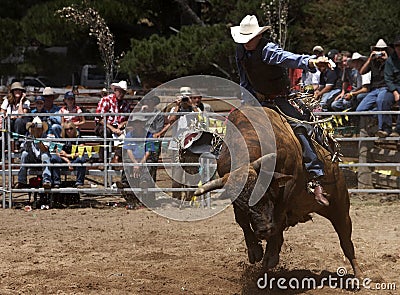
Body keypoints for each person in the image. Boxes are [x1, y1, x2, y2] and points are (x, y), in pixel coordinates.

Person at [231, 14, 329, 206]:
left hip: (280, 100)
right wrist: (246, 103)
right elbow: (244, 79)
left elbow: (287, 58)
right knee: (233, 130)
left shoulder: (268, 49)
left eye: (250, 38)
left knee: (301, 129)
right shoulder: (240, 51)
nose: (246, 42)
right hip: (255, 100)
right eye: (244, 39)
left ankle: (316, 178)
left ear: (259, 36)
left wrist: (310, 62)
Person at [167, 88, 201, 200]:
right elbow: (171, 121)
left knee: (191, 175)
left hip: (191, 147)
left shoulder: (195, 110)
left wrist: (192, 104)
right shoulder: (174, 109)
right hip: (176, 146)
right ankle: (176, 199)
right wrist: (177, 106)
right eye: (184, 98)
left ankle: (189, 199)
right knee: (177, 176)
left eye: (187, 97)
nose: (185, 100)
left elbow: (201, 119)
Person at [117, 115, 158, 207]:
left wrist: (139, 164)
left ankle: (144, 182)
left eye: (140, 123)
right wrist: (135, 163)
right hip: (134, 158)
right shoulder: (129, 135)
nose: (138, 125)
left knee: (150, 164)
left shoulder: (148, 135)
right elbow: (129, 150)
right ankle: (125, 183)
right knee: (126, 163)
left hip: (145, 159)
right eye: (136, 123)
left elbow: (148, 152)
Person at [356, 39, 393, 137]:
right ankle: (376, 116)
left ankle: (382, 129)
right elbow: (361, 72)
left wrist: (386, 59)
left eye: (382, 50)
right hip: (374, 89)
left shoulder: (390, 61)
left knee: (381, 100)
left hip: (385, 88)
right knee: (360, 110)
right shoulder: (372, 61)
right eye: (377, 50)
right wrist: (369, 59)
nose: (379, 52)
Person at [95, 80, 130, 162]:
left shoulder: (126, 104)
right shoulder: (106, 100)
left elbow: (129, 119)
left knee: (128, 133)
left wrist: (123, 123)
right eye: (120, 92)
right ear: (115, 91)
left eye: (123, 92)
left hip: (118, 127)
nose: (121, 94)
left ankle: (117, 157)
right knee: (106, 132)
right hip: (104, 125)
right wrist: (112, 129)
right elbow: (100, 118)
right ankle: (102, 159)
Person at [14, 117, 52, 189]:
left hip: (42, 160)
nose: (36, 129)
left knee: (45, 155)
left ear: (42, 129)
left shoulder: (47, 137)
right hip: (32, 159)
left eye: (38, 127)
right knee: (24, 154)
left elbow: (44, 149)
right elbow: (23, 149)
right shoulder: (28, 137)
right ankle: (21, 181)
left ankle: (46, 181)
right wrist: (30, 138)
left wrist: (37, 139)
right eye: (34, 127)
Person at [50, 122, 86, 188]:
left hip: (75, 160)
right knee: (54, 158)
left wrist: (67, 155)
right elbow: (58, 152)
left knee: (81, 159)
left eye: (71, 128)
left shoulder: (79, 138)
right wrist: (68, 162)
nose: (69, 131)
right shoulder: (62, 138)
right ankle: (56, 182)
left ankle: (79, 183)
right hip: (64, 160)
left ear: (74, 129)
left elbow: (81, 152)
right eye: (67, 129)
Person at [383, 35, 400, 137]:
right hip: (394, 86)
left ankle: (398, 130)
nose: (399, 48)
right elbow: (388, 78)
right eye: (397, 46)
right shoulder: (390, 60)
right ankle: (386, 129)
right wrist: (395, 92)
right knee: (385, 101)